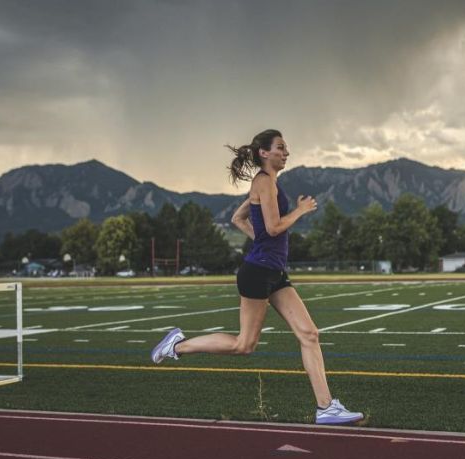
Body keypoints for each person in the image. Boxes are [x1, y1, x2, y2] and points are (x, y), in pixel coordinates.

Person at [151, 129, 363, 425]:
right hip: (258, 272)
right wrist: (300, 211)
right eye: (280, 147)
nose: (286, 152)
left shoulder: (268, 185)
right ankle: (176, 346)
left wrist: (263, 242)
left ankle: (326, 408)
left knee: (309, 334)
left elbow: (238, 219)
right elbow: (275, 227)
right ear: (264, 153)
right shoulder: (264, 182)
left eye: (286, 148)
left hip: (273, 271)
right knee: (244, 345)